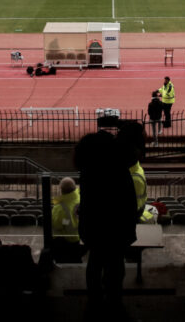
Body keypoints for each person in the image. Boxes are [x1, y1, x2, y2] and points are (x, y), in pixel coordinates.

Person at [75, 131, 137, 309]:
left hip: (94, 228)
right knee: (115, 265)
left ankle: (95, 300)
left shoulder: (87, 170)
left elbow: (88, 202)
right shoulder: (118, 168)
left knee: (95, 262)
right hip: (116, 229)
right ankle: (114, 300)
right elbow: (127, 200)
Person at [51, 177, 85, 262]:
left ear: (61, 190)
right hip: (77, 238)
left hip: (65, 242)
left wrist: (66, 221)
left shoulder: (60, 207)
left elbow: (57, 225)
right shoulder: (79, 197)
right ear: (74, 188)